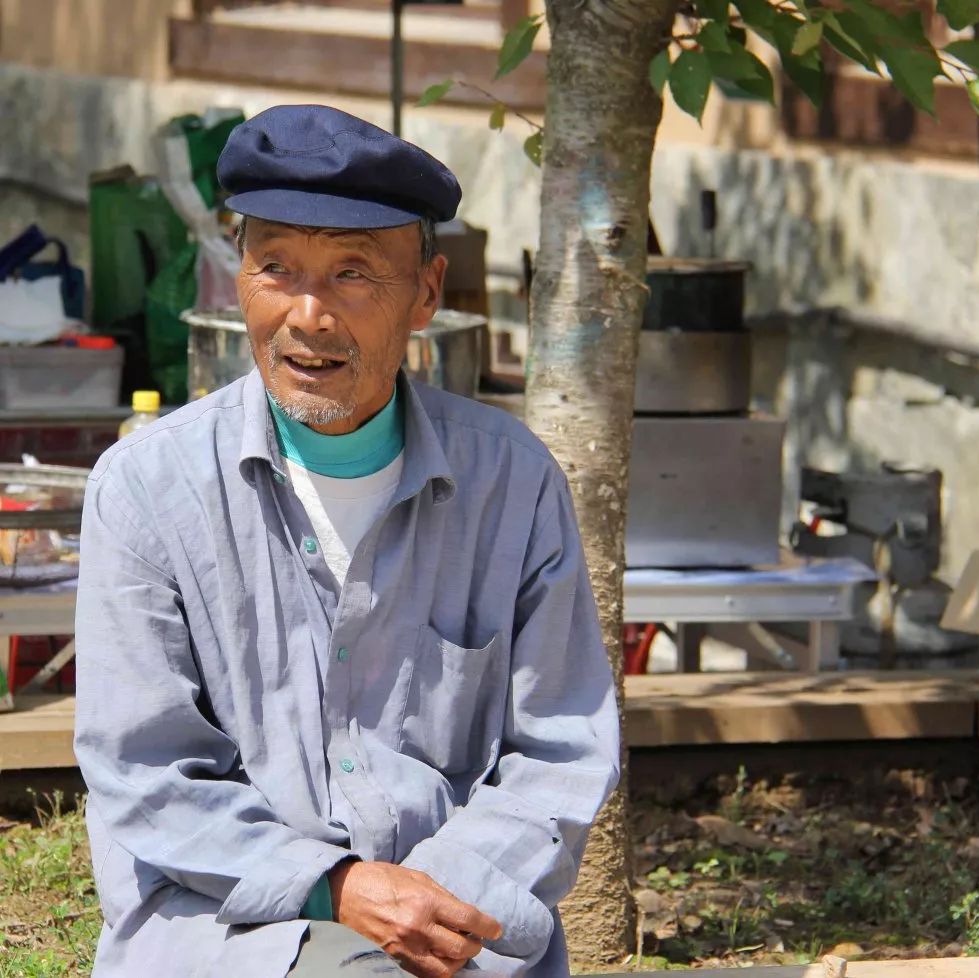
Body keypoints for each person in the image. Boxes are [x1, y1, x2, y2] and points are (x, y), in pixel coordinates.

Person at [74, 104, 619, 978]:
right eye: (276, 267)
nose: (309, 315)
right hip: (225, 926)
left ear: (428, 294)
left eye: (354, 273)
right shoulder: (147, 489)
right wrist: (340, 887)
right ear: (236, 277)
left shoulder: (511, 484)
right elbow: (145, 774)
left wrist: (423, 903)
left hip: (451, 928)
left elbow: (558, 752)